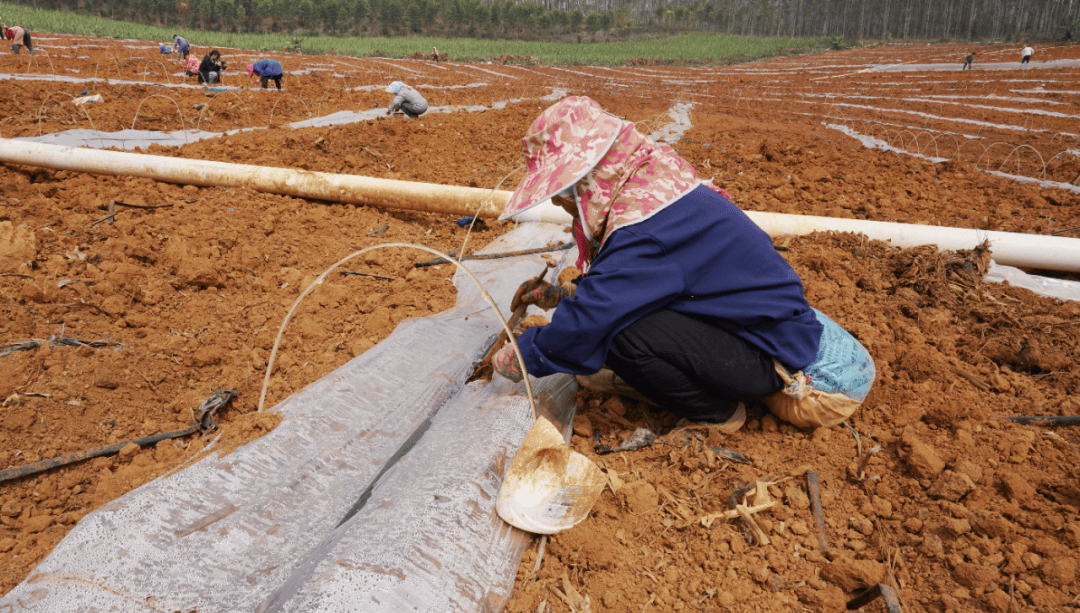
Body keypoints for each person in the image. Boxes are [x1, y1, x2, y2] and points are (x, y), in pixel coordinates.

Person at [490, 96, 875, 432]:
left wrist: (523, 356)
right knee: (621, 315)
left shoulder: (642, 227)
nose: (558, 203)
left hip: (813, 384)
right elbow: (643, 281)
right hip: (794, 338)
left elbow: (593, 318)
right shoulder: (656, 187)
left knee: (618, 331)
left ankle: (717, 414)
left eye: (563, 190)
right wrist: (565, 294)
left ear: (592, 177)